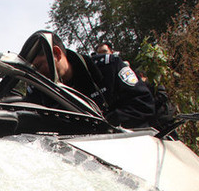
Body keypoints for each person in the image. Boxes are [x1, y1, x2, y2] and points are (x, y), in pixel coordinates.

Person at [23, 31, 156, 129]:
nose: (38, 74)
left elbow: (144, 104)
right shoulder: (37, 91)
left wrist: (107, 124)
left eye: (39, 66)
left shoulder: (107, 68)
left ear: (57, 54)